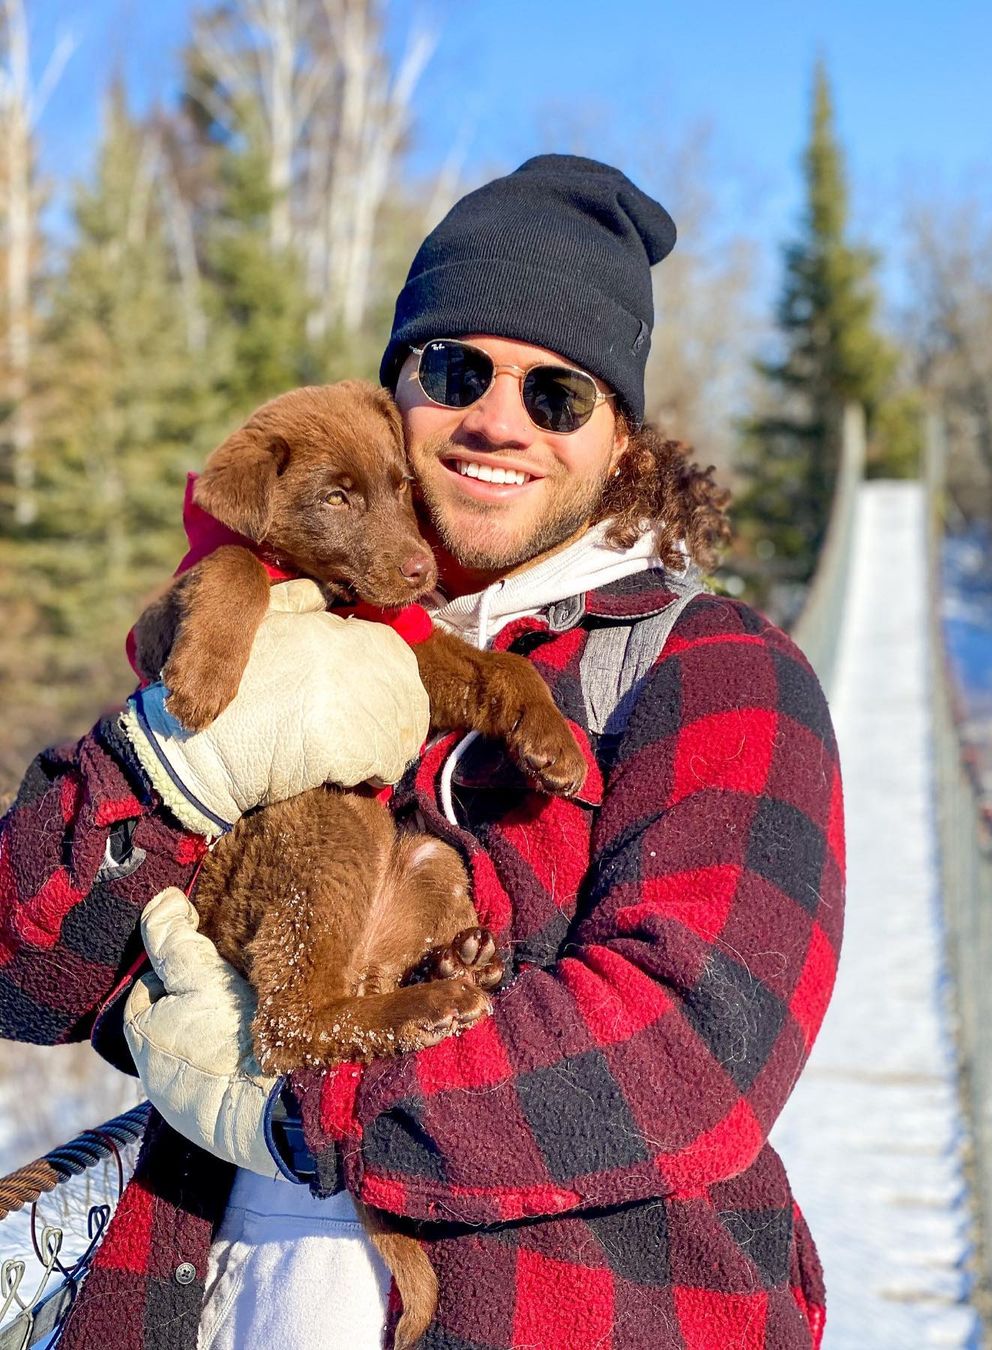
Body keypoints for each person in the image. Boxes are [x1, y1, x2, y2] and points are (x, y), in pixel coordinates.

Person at [0, 155, 844, 1350]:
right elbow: (23, 974)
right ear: (396, 389)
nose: (498, 419)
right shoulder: (280, 620)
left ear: (620, 445)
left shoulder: (715, 673)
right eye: (455, 372)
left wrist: (299, 1100)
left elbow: (684, 1050)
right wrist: (168, 764)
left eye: (557, 395)